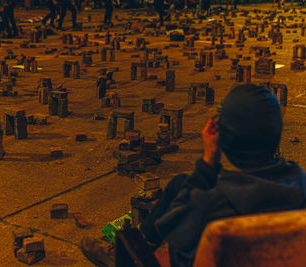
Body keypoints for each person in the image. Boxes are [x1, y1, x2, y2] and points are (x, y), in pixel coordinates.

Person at [81, 84, 306, 267]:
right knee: (180, 183)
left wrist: (209, 159)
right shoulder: (299, 180)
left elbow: (178, 221)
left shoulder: (206, 203)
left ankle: (131, 252)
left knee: (179, 190)